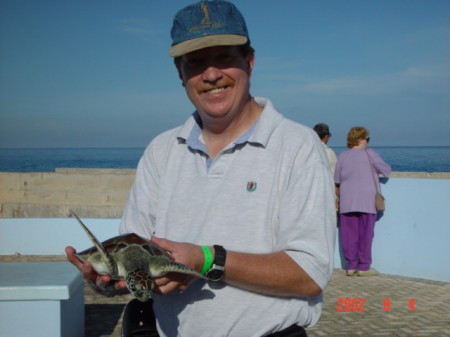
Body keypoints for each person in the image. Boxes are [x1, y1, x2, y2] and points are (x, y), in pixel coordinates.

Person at [66, 1, 336, 336]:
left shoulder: (297, 145)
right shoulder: (161, 151)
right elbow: (133, 255)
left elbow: (310, 275)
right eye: (195, 63)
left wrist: (207, 260)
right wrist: (110, 281)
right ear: (180, 74)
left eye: (224, 57)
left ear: (249, 62)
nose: (211, 75)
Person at [334, 126, 391, 277]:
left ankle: (351, 265)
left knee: (348, 235)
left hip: (347, 201)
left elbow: (337, 180)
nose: (367, 141)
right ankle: (364, 267)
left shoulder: (343, 156)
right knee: (366, 234)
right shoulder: (370, 154)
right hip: (366, 201)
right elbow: (387, 171)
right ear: (360, 139)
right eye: (367, 139)